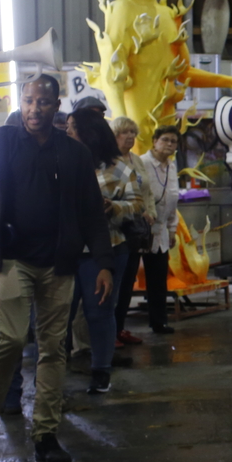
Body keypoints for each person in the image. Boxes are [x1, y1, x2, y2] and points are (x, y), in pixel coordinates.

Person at [0, 75, 113, 462]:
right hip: (11, 260)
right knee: (10, 341)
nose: (34, 109)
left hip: (58, 265)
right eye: (28, 101)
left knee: (53, 349)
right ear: (21, 102)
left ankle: (45, 435)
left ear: (56, 105)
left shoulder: (73, 154)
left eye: (42, 102)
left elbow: (92, 213)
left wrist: (103, 263)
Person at [67, 111, 141, 394]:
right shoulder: (64, 162)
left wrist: (115, 207)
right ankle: (49, 375)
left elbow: (138, 204)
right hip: (67, 251)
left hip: (108, 250)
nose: (68, 133)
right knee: (59, 315)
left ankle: (101, 370)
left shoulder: (119, 169)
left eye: (74, 129)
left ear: (90, 133)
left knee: (99, 312)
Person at [111, 116, 156, 344]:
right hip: (118, 228)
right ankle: (110, 331)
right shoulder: (109, 161)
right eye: (124, 132)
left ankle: (120, 327)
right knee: (116, 282)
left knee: (129, 281)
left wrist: (150, 212)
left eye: (132, 132)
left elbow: (147, 192)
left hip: (137, 229)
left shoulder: (137, 161)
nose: (129, 136)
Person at [140, 125, 181, 335]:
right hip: (140, 231)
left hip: (162, 232)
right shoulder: (142, 163)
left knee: (158, 279)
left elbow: (173, 199)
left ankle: (159, 321)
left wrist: (172, 229)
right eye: (165, 140)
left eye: (173, 141)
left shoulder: (172, 166)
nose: (169, 145)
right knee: (131, 278)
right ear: (154, 141)